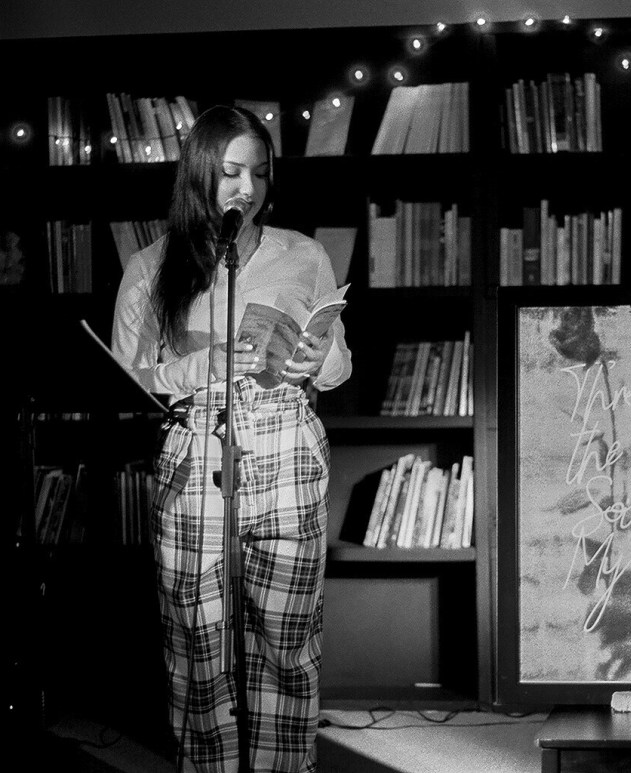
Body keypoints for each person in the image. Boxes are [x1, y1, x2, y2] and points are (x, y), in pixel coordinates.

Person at [112, 104, 352, 772]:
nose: (248, 188)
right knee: (198, 640)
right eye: (230, 172)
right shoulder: (152, 265)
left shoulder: (303, 254)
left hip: (286, 437)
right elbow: (127, 377)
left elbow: (338, 366)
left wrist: (320, 359)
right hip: (198, 442)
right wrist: (197, 367)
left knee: (287, 637)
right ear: (199, 176)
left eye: (260, 173)